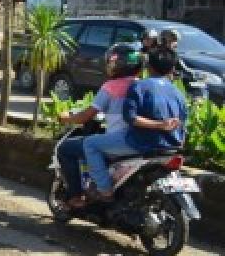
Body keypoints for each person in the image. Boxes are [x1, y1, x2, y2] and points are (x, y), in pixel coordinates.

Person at [79, 47, 187, 204]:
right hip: (172, 146)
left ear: (148, 66)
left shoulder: (140, 87)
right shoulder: (178, 93)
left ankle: (105, 190)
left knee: (89, 143)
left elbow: (130, 118)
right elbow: (183, 123)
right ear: (172, 68)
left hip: (141, 143)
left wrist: (159, 125)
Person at [55, 43, 143, 204]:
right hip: (141, 139)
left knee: (66, 148)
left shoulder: (111, 87)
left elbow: (86, 116)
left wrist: (65, 118)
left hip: (121, 141)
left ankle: (81, 195)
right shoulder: (143, 85)